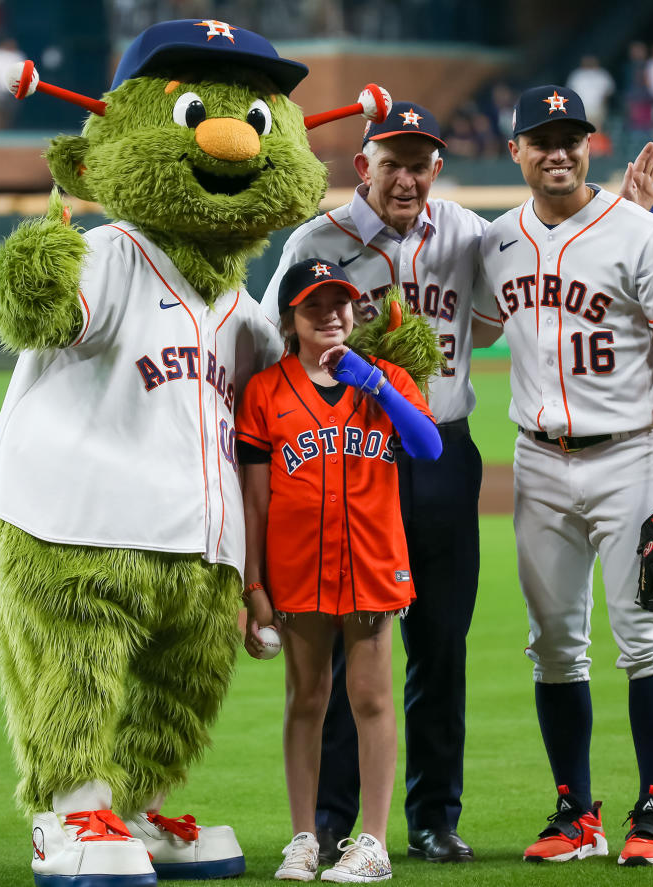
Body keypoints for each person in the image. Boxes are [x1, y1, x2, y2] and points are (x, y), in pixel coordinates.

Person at [262, 100, 653, 866]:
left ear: (437, 169)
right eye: (393, 163)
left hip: (444, 450)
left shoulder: (468, 235)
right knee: (350, 641)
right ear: (364, 168)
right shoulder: (316, 243)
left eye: (421, 164)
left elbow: (544, 274)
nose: (407, 178)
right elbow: (268, 344)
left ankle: (432, 817)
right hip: (350, 460)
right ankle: (329, 819)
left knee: (439, 644)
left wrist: (633, 213)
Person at [478, 84, 653, 867]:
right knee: (552, 644)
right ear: (516, 151)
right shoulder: (498, 241)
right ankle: (575, 811)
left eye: (570, 136)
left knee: (645, 636)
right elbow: (471, 323)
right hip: (539, 460)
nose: (557, 150)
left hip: (634, 455)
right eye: (541, 138)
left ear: (589, 144)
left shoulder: (641, 232)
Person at [238, 259, 442, 883]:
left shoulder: (386, 379)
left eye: (340, 303)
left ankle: (373, 844)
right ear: (290, 320)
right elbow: (255, 498)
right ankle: (304, 839)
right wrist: (253, 586)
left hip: (372, 566)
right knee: (306, 701)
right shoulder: (265, 392)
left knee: (372, 702)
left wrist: (372, 382)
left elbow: (429, 445)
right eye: (313, 306)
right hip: (297, 572)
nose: (330, 315)